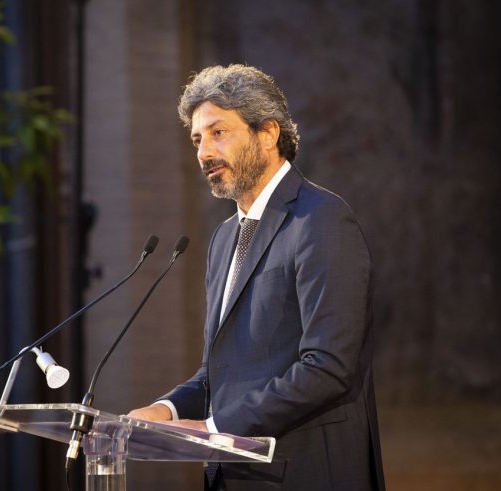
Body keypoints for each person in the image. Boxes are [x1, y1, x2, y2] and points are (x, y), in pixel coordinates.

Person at [128, 64, 385, 491]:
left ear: (267, 133)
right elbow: (222, 371)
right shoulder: (224, 238)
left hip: (307, 474)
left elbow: (329, 366)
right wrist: (166, 410)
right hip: (234, 476)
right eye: (197, 139)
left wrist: (215, 428)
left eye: (218, 132)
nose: (204, 153)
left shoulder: (320, 219)